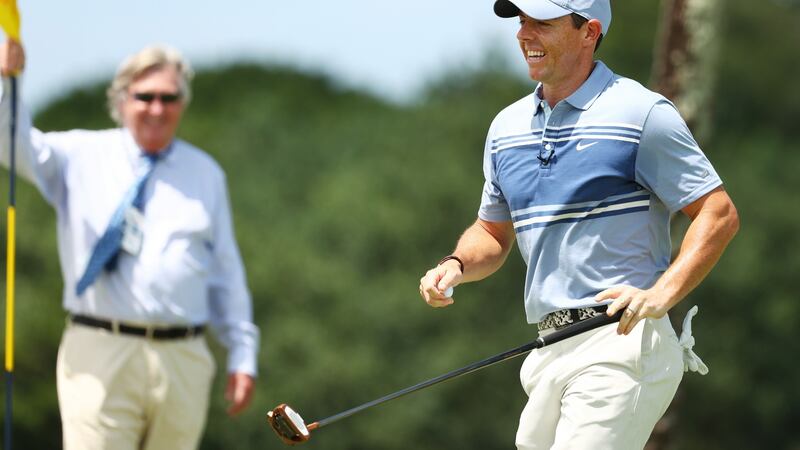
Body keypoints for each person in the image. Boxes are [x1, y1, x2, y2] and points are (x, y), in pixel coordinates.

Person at [418, 0, 739, 448]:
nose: (524, 34)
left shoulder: (641, 113)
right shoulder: (506, 128)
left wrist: (661, 294)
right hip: (549, 347)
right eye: (522, 21)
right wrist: (455, 264)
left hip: (621, 343)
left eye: (542, 23)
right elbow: (492, 233)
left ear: (589, 32)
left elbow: (718, 213)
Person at [0, 40, 259, 450]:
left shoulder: (206, 173)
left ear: (182, 104)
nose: (157, 108)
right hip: (100, 349)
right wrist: (7, 82)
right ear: (121, 100)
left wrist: (243, 353)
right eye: (145, 97)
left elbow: (225, 271)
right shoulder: (80, 154)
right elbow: (11, 145)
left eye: (169, 98)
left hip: (184, 357)